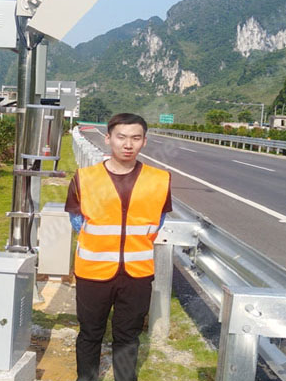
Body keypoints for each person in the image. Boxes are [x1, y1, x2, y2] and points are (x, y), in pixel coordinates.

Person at [65, 113, 172, 381]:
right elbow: (77, 222)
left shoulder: (159, 180)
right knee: (90, 333)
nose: (128, 144)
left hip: (137, 274)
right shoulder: (85, 178)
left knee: (128, 336)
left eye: (135, 138)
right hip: (93, 272)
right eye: (121, 137)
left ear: (144, 141)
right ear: (108, 138)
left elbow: (158, 221)